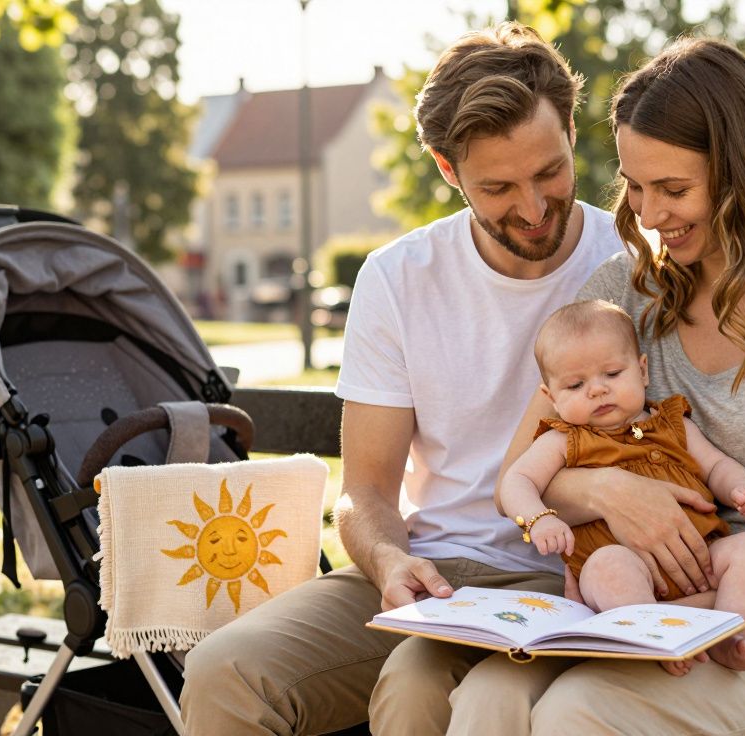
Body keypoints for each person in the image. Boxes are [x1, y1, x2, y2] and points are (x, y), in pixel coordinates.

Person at [441, 37, 745, 735]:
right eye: (634, 186)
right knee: (488, 699)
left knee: (579, 714)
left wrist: (697, 611)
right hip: (628, 602)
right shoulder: (620, 299)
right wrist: (609, 493)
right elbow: (523, 470)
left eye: (674, 189)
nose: (649, 214)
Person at [179, 22, 628, 735]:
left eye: (550, 172)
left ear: (572, 130)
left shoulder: (633, 264)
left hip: (573, 575)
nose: (534, 208)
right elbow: (365, 491)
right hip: (430, 573)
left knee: (418, 693)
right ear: (447, 170)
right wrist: (389, 560)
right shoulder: (397, 278)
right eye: (498, 187)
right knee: (223, 673)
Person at [498, 299, 745, 675]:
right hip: (623, 571)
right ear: (551, 397)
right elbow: (516, 480)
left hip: (700, 558)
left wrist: (740, 487)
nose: (597, 390)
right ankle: (653, 640)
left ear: (642, 371)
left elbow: (716, 465)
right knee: (609, 567)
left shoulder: (673, 425)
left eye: (612, 374)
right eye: (576, 385)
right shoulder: (564, 440)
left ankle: (725, 634)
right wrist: (538, 519)